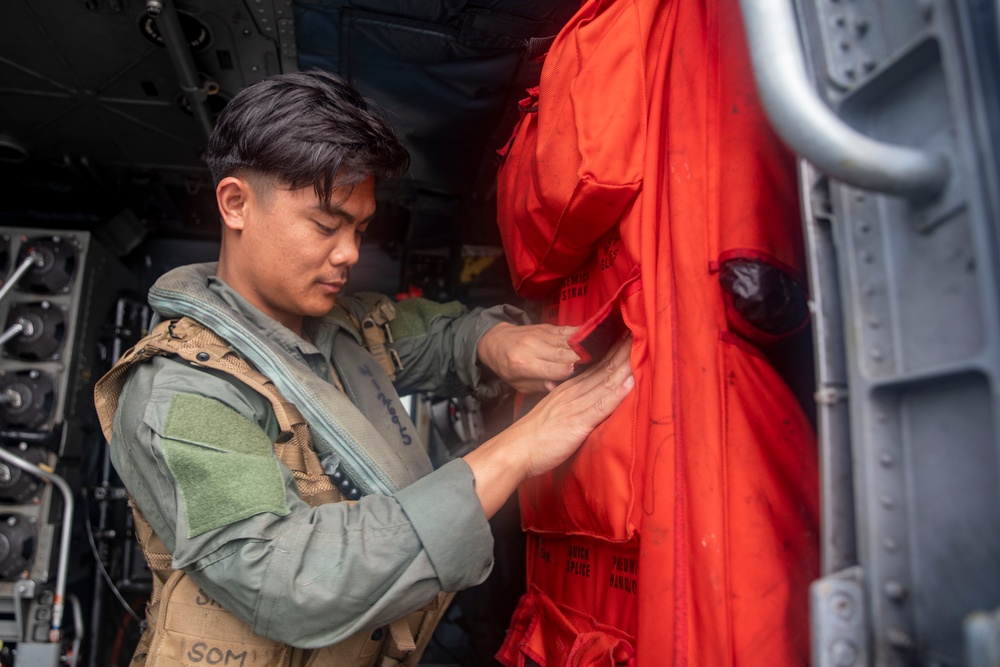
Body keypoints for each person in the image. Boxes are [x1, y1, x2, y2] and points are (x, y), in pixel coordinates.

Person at [95, 69, 634, 666]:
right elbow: (290, 580)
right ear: (235, 203)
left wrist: (496, 342)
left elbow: (439, 335)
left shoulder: (339, 327)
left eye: (360, 228)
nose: (350, 252)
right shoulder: (183, 389)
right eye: (326, 225)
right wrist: (518, 449)